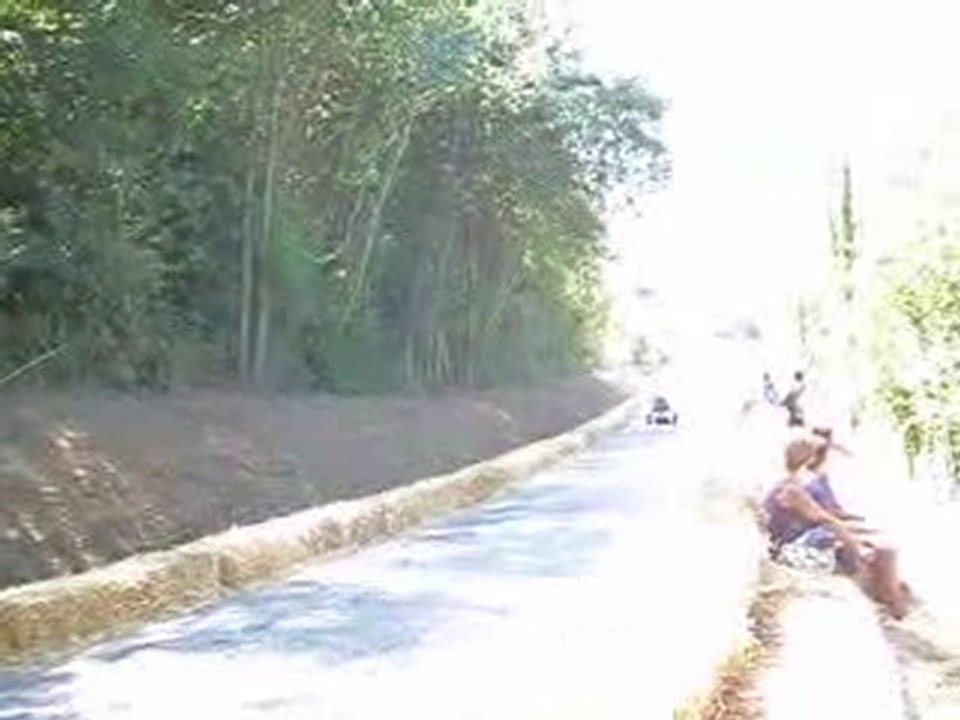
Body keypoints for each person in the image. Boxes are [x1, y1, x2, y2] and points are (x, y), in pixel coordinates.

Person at [761, 435, 911, 619]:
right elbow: (826, 519)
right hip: (793, 553)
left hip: (788, 548)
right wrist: (858, 547)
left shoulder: (783, 486)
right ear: (809, 460)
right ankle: (898, 612)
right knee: (884, 552)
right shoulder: (792, 491)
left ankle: (890, 601)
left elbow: (824, 519)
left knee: (875, 553)